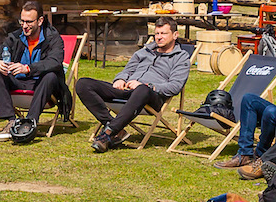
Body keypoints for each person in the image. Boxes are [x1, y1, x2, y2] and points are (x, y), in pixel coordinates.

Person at [78, 18, 192, 151]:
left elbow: (175, 86)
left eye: (164, 33)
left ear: (175, 35)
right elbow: (127, 70)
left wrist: (147, 85)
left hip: (151, 96)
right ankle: (116, 129)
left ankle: (108, 133)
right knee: (83, 84)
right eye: (157, 33)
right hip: (126, 90)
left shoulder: (181, 57)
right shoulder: (144, 51)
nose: (159, 37)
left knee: (142, 89)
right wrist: (120, 79)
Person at [0, 1, 69, 141]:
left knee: (50, 76)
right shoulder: (15, 37)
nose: (24, 26)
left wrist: (28, 68)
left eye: (29, 22)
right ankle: (11, 121)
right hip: (19, 82)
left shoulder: (53, 38)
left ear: (40, 21)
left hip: (42, 85)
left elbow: (55, 61)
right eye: (22, 21)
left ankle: (29, 122)